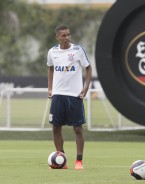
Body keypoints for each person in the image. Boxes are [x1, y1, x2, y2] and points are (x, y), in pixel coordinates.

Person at [47, 24, 92, 170]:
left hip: (74, 95)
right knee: (55, 128)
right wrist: (50, 88)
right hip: (58, 95)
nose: (67, 38)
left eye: (68, 35)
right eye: (63, 35)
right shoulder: (52, 52)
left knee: (78, 129)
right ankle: (62, 160)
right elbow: (50, 69)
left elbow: (88, 67)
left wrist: (86, 87)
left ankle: (79, 161)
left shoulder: (78, 50)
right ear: (57, 37)